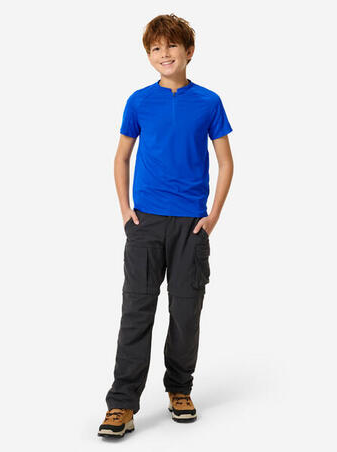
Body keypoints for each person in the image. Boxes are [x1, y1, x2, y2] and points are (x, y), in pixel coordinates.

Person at [98, 13, 234, 439]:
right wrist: (126, 211)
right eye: (155, 48)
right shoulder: (139, 101)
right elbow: (121, 157)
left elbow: (226, 162)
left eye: (171, 45)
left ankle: (179, 389)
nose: (164, 53)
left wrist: (213, 216)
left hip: (191, 226)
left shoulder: (208, 102)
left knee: (186, 312)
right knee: (136, 311)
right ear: (149, 55)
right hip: (146, 224)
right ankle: (122, 404)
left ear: (188, 51)